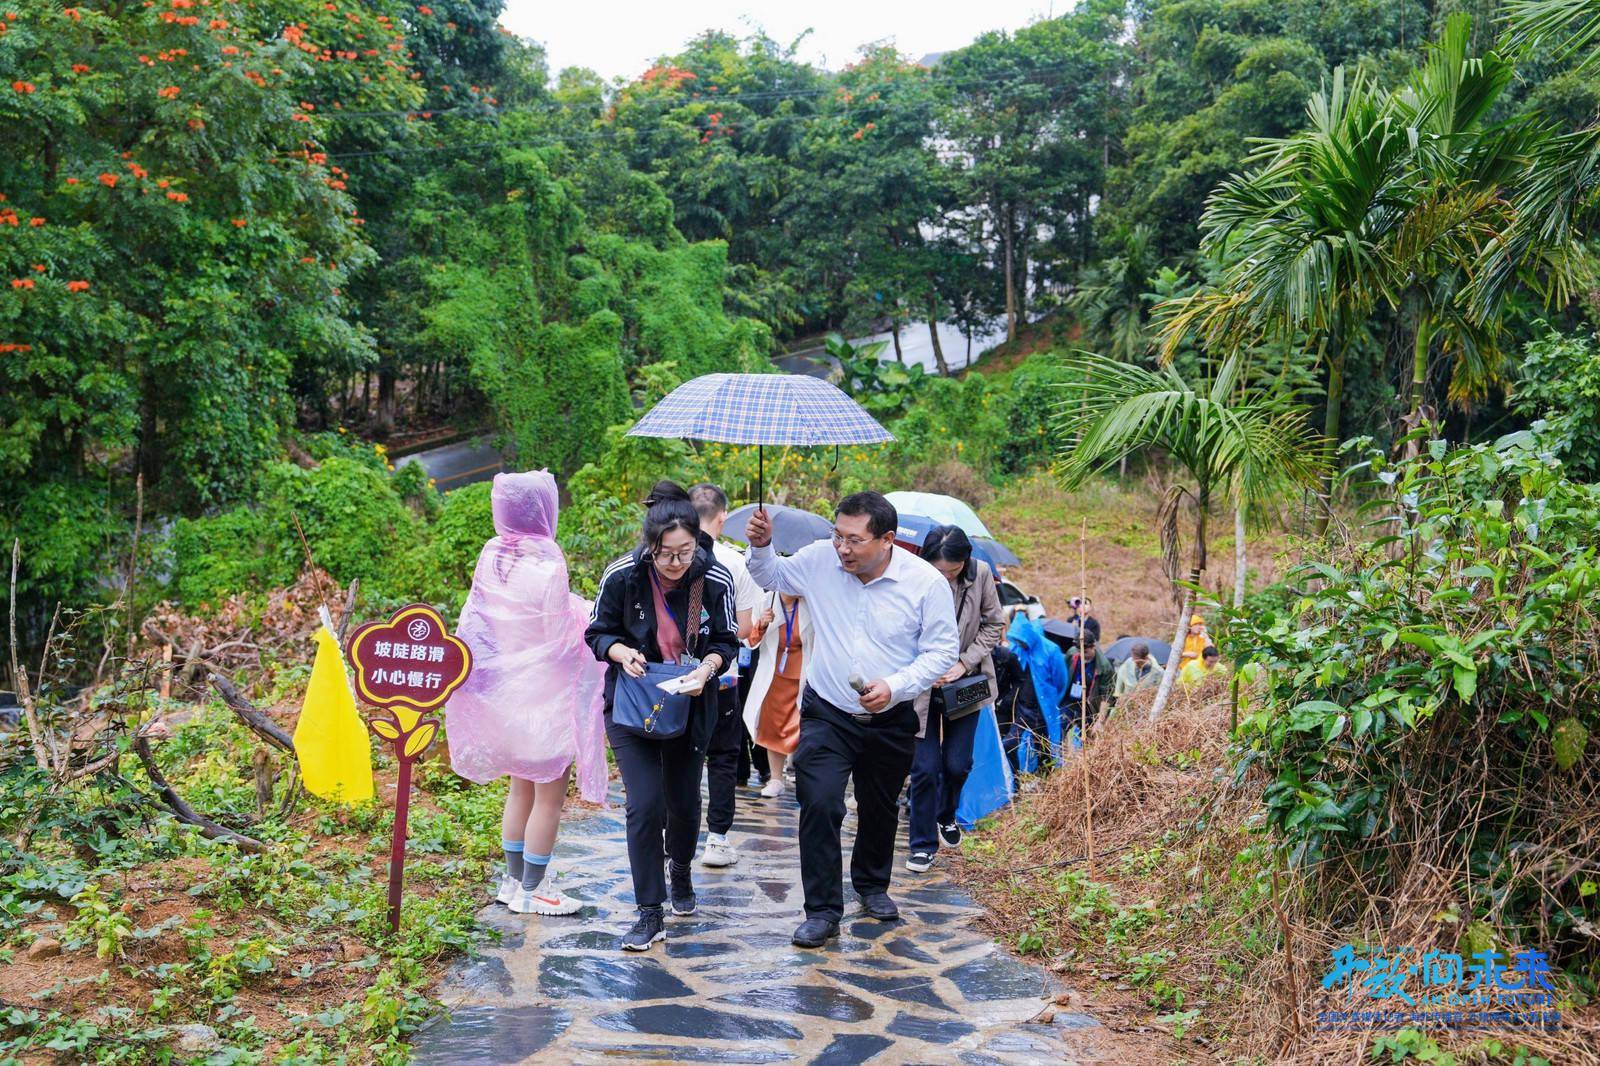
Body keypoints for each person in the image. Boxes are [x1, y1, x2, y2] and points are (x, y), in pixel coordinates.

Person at [744, 493, 959, 949]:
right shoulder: (820, 559)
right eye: (837, 536)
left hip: (891, 715)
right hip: (827, 711)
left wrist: (896, 686)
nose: (842, 548)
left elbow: (942, 651)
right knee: (820, 803)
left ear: (887, 540)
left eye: (854, 540)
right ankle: (821, 910)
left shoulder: (924, 582)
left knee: (879, 807)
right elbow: (771, 575)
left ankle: (872, 884)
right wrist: (762, 547)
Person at [584, 481, 739, 952]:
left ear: (697, 541)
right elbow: (596, 633)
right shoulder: (623, 575)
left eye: (685, 552)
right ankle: (649, 912)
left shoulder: (713, 580)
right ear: (650, 546)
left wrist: (709, 667)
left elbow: (727, 642)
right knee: (645, 805)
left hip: (691, 705)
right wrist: (620, 650)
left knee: (684, 803)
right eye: (666, 554)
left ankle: (682, 869)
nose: (676, 563)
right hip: (632, 705)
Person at [447, 471, 607, 917]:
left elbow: (483, 625)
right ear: (544, 510)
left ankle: (513, 882)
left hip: (505, 698)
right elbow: (557, 637)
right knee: (549, 797)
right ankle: (535, 890)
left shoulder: (492, 556)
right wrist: (584, 614)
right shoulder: (548, 563)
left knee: (519, 789)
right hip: (544, 701)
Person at [905, 526, 1005, 873]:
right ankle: (921, 845)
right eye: (939, 570)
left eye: (953, 570)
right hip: (922, 686)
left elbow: (994, 625)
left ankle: (946, 813)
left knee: (957, 765)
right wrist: (924, 667)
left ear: (965, 561)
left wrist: (964, 662)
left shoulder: (979, 576)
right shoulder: (912, 576)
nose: (946, 577)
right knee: (924, 768)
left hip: (964, 683)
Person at [688, 484, 762, 869]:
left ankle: (674, 833)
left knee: (679, 757)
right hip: (723, 677)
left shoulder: (667, 556)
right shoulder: (735, 562)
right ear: (722, 518)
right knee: (720, 758)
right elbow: (745, 630)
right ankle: (716, 840)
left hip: (678, 677)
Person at [742, 590, 809, 798]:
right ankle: (776, 778)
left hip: (804, 675)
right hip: (774, 675)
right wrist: (762, 624)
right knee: (773, 726)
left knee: (804, 728)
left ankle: (805, 777)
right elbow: (749, 641)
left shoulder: (810, 600)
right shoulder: (766, 600)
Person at [1064, 634, 1114, 734]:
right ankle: (1063, 749)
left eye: (1085, 652)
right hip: (1069, 702)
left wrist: (1100, 721)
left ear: (1093, 647)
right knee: (1060, 728)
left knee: (1088, 737)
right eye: (1079, 651)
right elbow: (1062, 674)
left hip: (1089, 707)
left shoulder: (1104, 667)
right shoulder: (1072, 653)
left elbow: (1107, 696)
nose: (1082, 655)